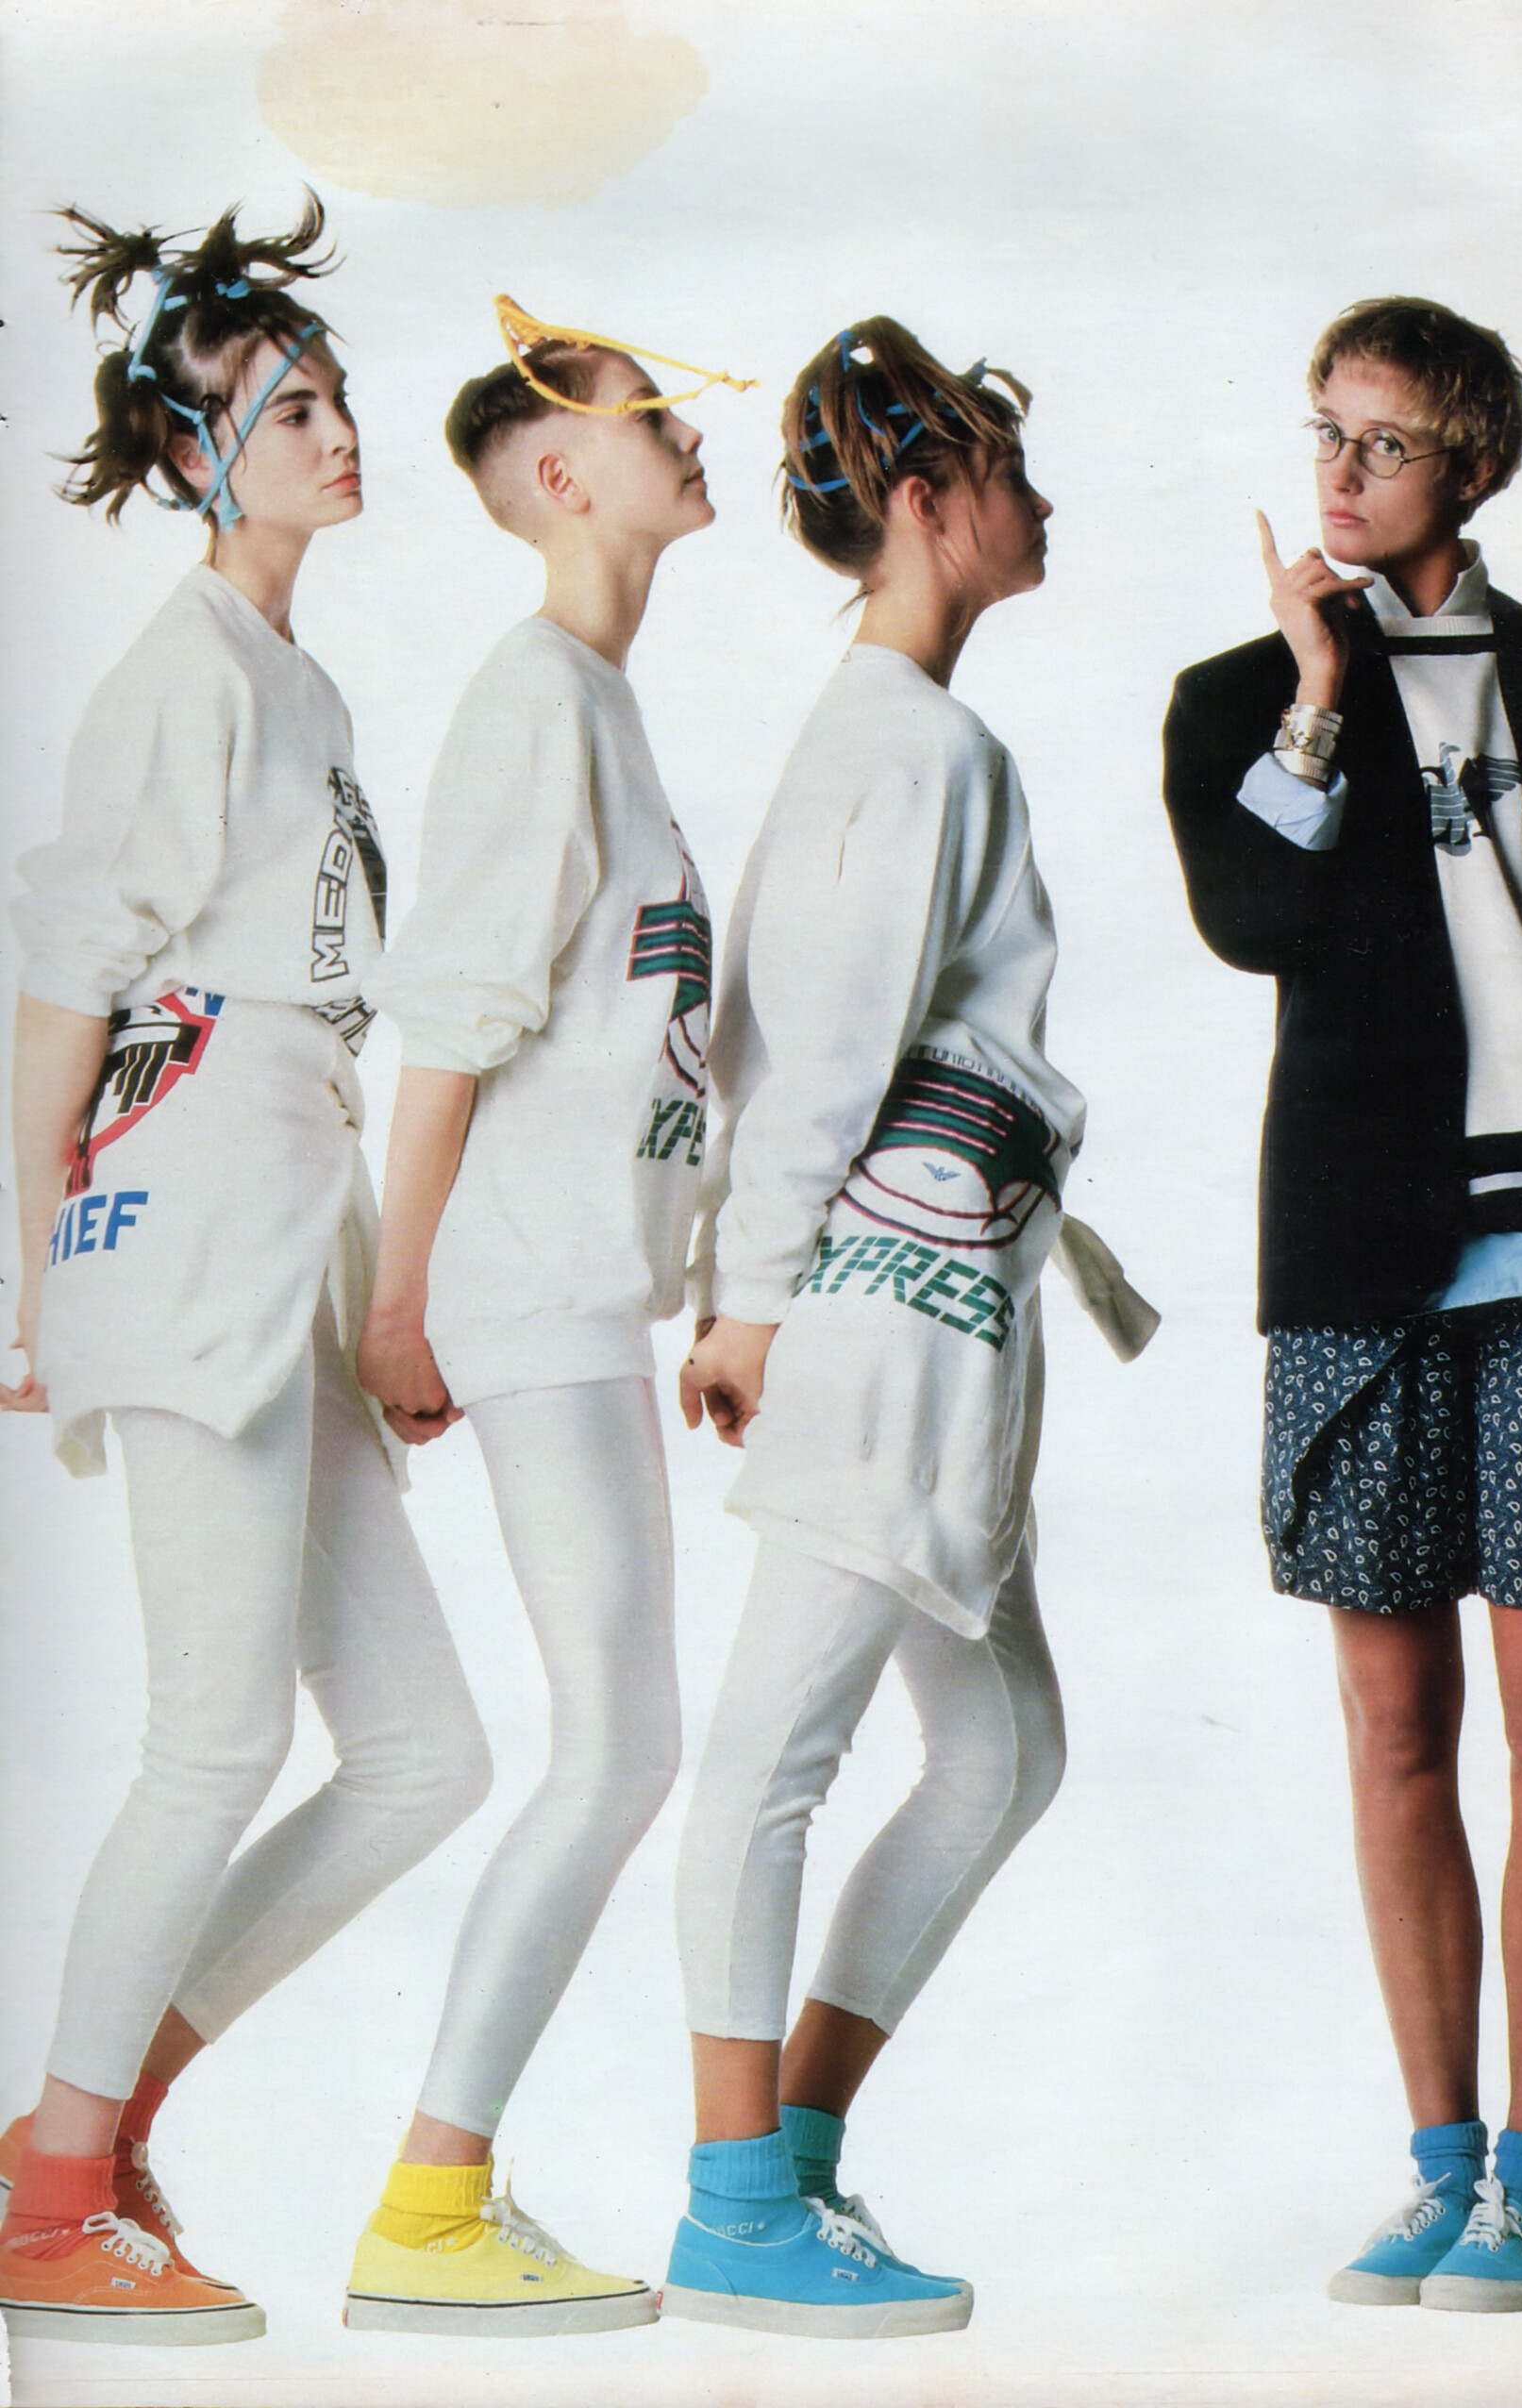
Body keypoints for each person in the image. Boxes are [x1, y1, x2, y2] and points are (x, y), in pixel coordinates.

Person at [0, 200, 492, 2347]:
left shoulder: (304, 683)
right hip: (181, 1225)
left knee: (421, 1755)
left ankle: (89, 2131)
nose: (338, 430)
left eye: (336, 396)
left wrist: (377, 1301)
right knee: (212, 1734)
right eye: (291, 410)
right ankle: (44, 2199)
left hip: (291, 1234)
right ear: (198, 455)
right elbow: (63, 991)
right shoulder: (182, 674)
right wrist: (26, 1280)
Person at [663, 317, 1149, 2340]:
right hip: (877, 1309)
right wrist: (750, 1300)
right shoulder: (904, 739)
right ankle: (732, 2210)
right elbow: (815, 1041)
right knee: (772, 1751)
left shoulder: (922, 733)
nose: (1039, 502)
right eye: (1008, 472)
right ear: (929, 502)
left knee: (1002, 1748)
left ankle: (788, 2153)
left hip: (939, 1306)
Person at [1163, 296, 1522, 2314]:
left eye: (1381, 441)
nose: (1338, 471)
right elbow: (1251, 923)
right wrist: (1313, 691)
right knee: (1387, 1723)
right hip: (1358, 1247)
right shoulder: (1239, 694)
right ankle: (1432, 2167)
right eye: (1323, 432)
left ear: (1472, 465)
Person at [342, 300, 744, 2337]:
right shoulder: (536, 697)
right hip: (522, 1286)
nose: (691, 432)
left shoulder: (602, 704)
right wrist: (396, 1298)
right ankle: (426, 2208)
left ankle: (434, 2199)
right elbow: (451, 1023)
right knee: (618, 1747)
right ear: (563, 474)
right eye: (648, 413)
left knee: (620, 1743)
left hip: (580, 1289)